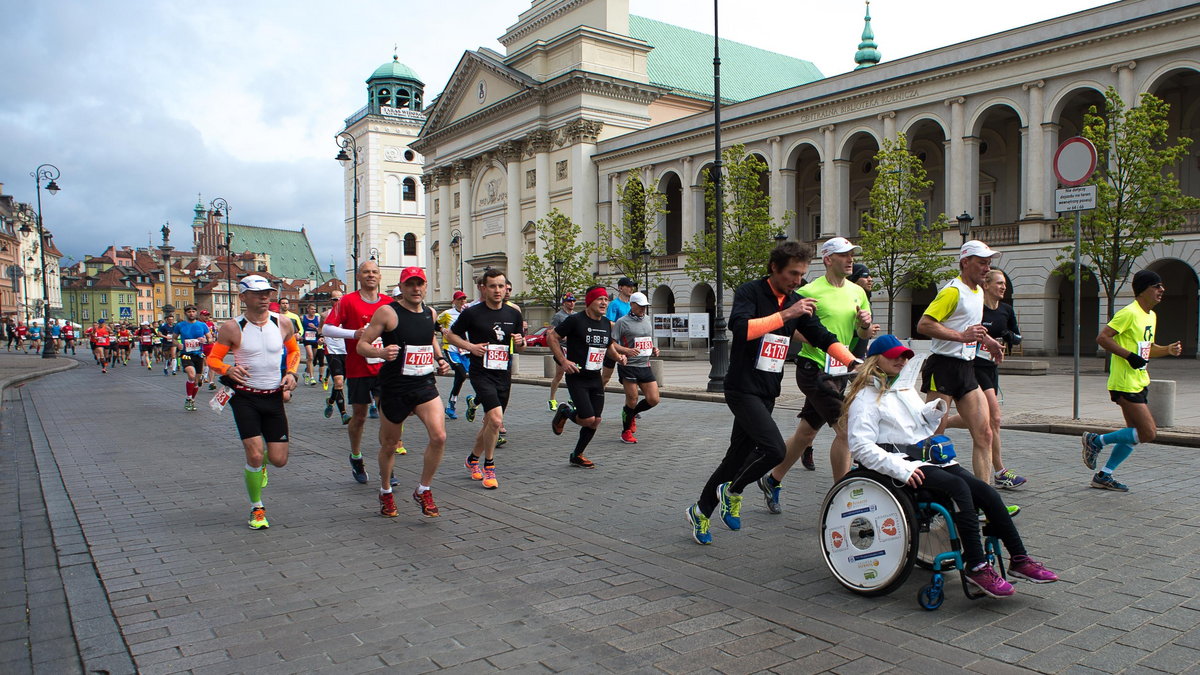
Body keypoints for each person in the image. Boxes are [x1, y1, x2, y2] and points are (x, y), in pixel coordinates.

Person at [843, 334, 1059, 597]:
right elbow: (861, 448)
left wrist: (932, 413)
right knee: (959, 489)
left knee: (987, 492)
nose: (901, 360)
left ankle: (1020, 559)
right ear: (876, 360)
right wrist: (902, 470)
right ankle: (977, 566)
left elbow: (923, 428)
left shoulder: (903, 389)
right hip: (900, 466)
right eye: (895, 356)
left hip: (929, 459)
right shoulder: (865, 398)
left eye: (905, 356)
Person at [686, 241, 857, 544]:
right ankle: (733, 490)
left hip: (768, 390)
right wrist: (787, 314)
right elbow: (742, 328)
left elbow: (822, 336)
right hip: (741, 387)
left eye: (802, 274)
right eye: (793, 273)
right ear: (775, 268)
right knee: (774, 449)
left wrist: (854, 362)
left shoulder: (796, 300)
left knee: (734, 457)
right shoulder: (751, 292)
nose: (798, 280)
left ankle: (700, 511)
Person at [759, 237, 878, 515]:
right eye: (843, 255)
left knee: (806, 433)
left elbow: (861, 335)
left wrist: (864, 326)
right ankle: (845, 498)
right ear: (827, 259)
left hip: (840, 371)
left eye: (852, 255)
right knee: (847, 431)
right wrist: (814, 339)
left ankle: (772, 479)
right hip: (814, 370)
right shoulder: (809, 290)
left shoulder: (857, 292)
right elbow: (790, 328)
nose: (850, 260)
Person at [205, 275, 300, 530]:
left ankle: (261, 469)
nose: (265, 298)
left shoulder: (282, 323)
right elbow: (212, 359)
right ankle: (256, 508)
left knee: (279, 459)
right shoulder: (232, 327)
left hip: (273, 397)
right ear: (243, 297)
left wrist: (290, 373)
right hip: (245, 397)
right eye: (258, 294)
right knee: (255, 453)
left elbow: (294, 351)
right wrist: (226, 369)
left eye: (268, 293)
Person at [357, 267, 451, 518]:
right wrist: (380, 353)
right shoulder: (388, 312)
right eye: (410, 284)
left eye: (420, 284)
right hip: (395, 387)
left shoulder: (430, 313)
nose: (416, 289)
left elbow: (430, 339)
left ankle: (424, 489)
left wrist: (440, 358)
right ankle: (386, 491)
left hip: (423, 384)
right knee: (389, 444)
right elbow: (361, 345)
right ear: (402, 287)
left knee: (439, 436)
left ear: (426, 285)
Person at [1082, 269, 1183, 492]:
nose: (1162, 290)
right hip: (1124, 382)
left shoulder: (1150, 316)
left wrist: (1167, 349)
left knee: (1133, 435)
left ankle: (1104, 475)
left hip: (1140, 380)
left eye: (1162, 286)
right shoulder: (1129, 313)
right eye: (1157, 286)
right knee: (1148, 432)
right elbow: (1102, 338)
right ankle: (1095, 441)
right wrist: (1129, 356)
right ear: (1143, 290)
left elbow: (1147, 349)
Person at [917, 240, 1007, 483]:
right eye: (981, 263)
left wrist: (988, 341)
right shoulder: (952, 291)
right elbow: (924, 324)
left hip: (966, 368)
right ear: (965, 262)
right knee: (935, 438)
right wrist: (962, 337)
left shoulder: (977, 291)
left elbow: (971, 327)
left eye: (989, 263)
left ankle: (985, 499)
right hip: (943, 367)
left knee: (985, 433)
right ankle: (931, 496)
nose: (986, 268)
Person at [942, 269, 1026, 488]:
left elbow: (1017, 337)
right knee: (994, 418)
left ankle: (946, 423)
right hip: (973, 366)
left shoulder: (1006, 310)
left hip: (991, 367)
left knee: (986, 420)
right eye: (999, 283)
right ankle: (999, 470)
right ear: (986, 285)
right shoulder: (976, 306)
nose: (1003, 287)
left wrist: (1007, 337)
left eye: (1005, 284)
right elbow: (962, 328)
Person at [447, 269, 524, 489]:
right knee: (497, 420)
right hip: (481, 373)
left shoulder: (514, 313)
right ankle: (489, 466)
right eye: (493, 286)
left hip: (503, 373)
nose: (498, 290)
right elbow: (451, 334)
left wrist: (520, 340)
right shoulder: (473, 313)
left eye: (502, 286)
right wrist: (470, 346)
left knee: (490, 422)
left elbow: (521, 344)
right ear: (484, 288)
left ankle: (472, 459)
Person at [323, 262, 398, 484]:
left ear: (380, 276)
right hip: (357, 368)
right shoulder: (348, 301)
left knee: (389, 418)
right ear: (358, 276)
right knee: (360, 416)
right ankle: (356, 455)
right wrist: (353, 333)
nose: (371, 275)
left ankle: (388, 466)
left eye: (374, 272)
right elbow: (327, 328)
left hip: (385, 369)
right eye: (366, 272)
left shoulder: (389, 303)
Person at [549, 286, 632, 467]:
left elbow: (608, 346)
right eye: (599, 299)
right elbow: (552, 337)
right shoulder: (575, 320)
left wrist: (618, 357)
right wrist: (563, 361)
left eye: (605, 300)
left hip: (595, 376)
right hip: (577, 376)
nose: (604, 303)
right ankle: (565, 411)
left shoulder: (605, 323)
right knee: (587, 419)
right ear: (589, 302)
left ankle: (577, 455)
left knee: (596, 420)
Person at [612, 292, 659, 444]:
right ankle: (625, 432)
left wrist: (653, 349)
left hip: (644, 365)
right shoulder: (622, 322)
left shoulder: (647, 319)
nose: (643, 309)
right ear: (632, 305)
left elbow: (648, 340)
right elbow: (611, 344)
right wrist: (625, 351)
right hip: (629, 365)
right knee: (632, 399)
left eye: (645, 306)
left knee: (653, 399)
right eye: (640, 306)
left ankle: (631, 414)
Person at [436, 290, 470, 419]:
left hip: (465, 349)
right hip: (450, 348)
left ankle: (452, 404)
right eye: (459, 299)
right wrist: (442, 329)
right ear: (454, 301)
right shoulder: (447, 314)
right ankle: (451, 404)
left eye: (464, 299)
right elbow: (435, 324)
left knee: (463, 377)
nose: (462, 302)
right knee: (460, 373)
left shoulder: (468, 313)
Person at [320, 290, 351, 424]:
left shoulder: (348, 314)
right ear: (330, 301)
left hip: (346, 351)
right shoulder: (324, 315)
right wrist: (321, 337)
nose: (337, 302)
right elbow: (320, 329)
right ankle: (344, 414)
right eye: (334, 299)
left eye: (340, 299)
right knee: (338, 382)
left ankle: (331, 401)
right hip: (332, 351)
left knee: (340, 383)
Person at [175, 305, 212, 412]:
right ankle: (189, 398)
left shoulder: (202, 325)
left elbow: (210, 338)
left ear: (196, 313)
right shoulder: (180, 325)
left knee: (196, 381)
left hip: (198, 354)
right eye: (189, 312)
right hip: (186, 354)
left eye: (193, 311)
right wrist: (178, 344)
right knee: (191, 375)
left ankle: (192, 400)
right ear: (185, 313)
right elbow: (173, 338)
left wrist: (205, 340)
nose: (191, 313)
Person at [601, 277, 636, 387]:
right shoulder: (614, 304)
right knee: (606, 377)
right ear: (620, 288)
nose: (631, 289)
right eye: (628, 286)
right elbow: (608, 321)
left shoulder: (632, 304)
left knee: (630, 378)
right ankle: (596, 393)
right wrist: (622, 326)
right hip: (614, 344)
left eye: (632, 287)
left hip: (627, 344)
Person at [547, 294, 576, 411]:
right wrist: (562, 337)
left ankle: (573, 398)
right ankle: (552, 399)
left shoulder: (576, 315)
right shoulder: (558, 316)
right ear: (564, 303)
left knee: (574, 374)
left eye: (573, 301)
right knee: (559, 375)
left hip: (573, 349)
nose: (572, 303)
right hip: (561, 349)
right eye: (569, 301)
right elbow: (551, 332)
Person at [300, 303, 322, 385]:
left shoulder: (318, 318)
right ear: (308, 309)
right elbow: (300, 327)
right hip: (307, 339)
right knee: (310, 356)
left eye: (314, 309)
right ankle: (312, 378)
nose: (313, 311)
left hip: (315, 339)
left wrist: (314, 327)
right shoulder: (303, 318)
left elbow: (320, 329)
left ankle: (306, 373)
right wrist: (301, 335)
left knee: (312, 359)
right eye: (312, 309)